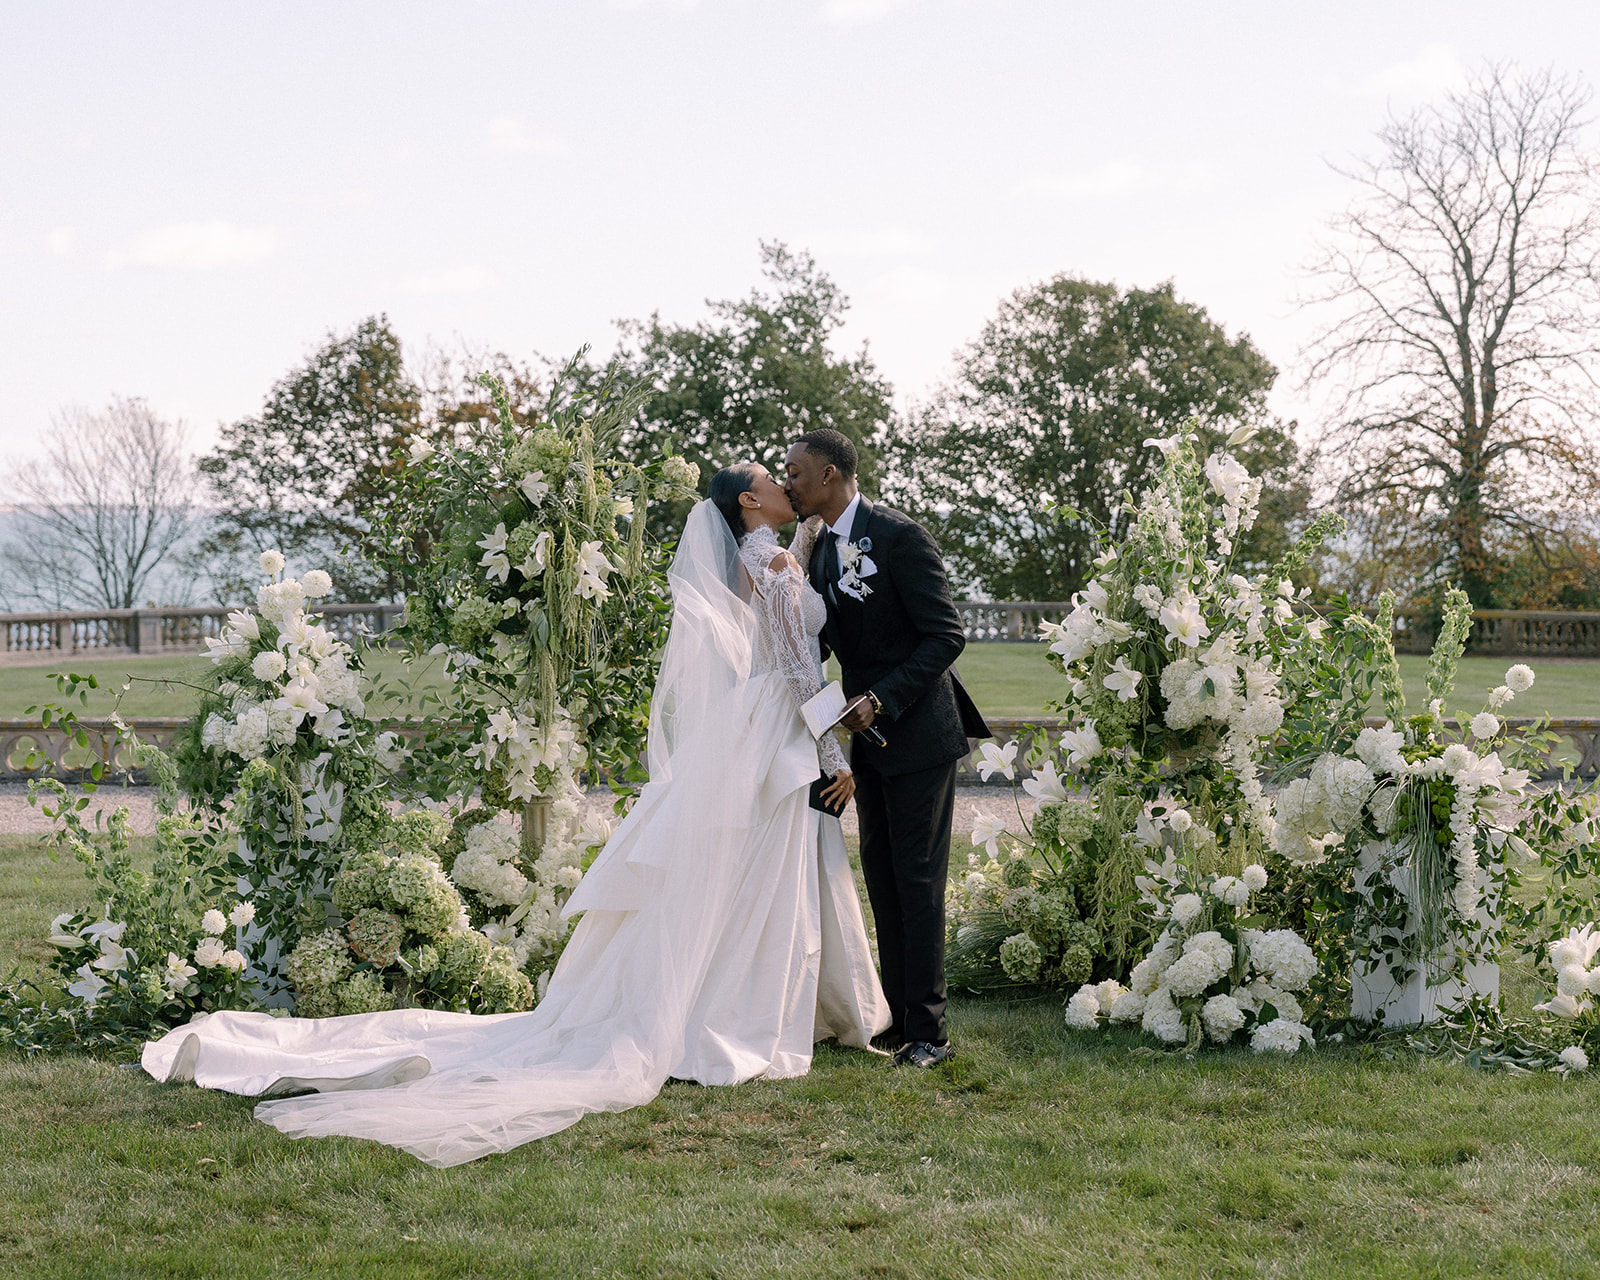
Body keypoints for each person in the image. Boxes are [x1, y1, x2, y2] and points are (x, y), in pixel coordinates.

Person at [140, 472, 890, 1167]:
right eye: (769, 482)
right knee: (760, 875)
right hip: (778, 731)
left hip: (747, 730)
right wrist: (831, 756)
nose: (784, 483)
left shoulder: (757, 556)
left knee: (737, 876)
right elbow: (798, 666)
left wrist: (806, 542)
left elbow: (774, 624)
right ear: (749, 506)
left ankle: (736, 1000)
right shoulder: (777, 565)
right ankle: (748, 1009)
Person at [783, 430, 990, 1069]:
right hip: (864, 743)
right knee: (883, 877)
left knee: (919, 878)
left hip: (919, 733)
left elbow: (945, 634)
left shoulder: (899, 535)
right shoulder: (817, 549)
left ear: (828, 476)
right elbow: (816, 642)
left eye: (794, 472)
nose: (786, 482)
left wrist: (883, 698)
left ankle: (931, 1033)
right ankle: (898, 1019)